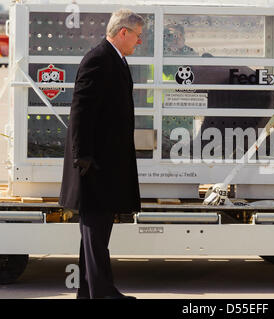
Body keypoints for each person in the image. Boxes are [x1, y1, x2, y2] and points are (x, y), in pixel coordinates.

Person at [59, 9, 145, 299]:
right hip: (93, 166)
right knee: (96, 235)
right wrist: (82, 156)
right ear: (123, 32)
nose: (139, 42)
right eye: (137, 36)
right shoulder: (99, 59)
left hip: (104, 165)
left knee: (94, 237)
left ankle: (91, 292)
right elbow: (81, 109)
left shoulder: (115, 60)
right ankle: (102, 294)